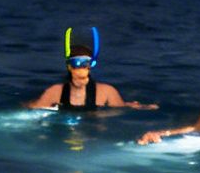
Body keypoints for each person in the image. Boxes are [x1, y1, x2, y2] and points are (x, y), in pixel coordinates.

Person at [24, 27, 155, 110]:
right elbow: (31, 109)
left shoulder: (107, 92)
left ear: (90, 66)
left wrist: (139, 106)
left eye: (86, 63)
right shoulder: (55, 92)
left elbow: (121, 109)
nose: (82, 68)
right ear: (69, 67)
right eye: (77, 63)